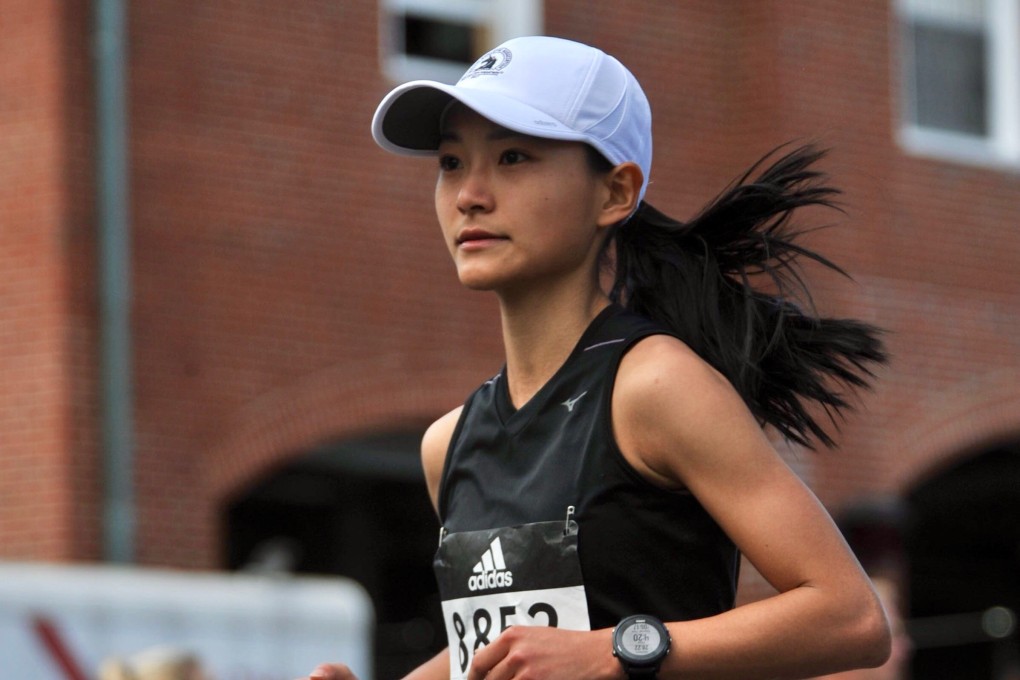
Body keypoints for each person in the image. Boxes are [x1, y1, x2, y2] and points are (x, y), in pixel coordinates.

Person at [302, 35, 892, 679]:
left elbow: (851, 619)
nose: (469, 193)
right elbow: (503, 651)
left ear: (614, 192)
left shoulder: (656, 386)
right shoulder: (448, 445)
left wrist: (620, 651)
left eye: (513, 157)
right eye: (450, 163)